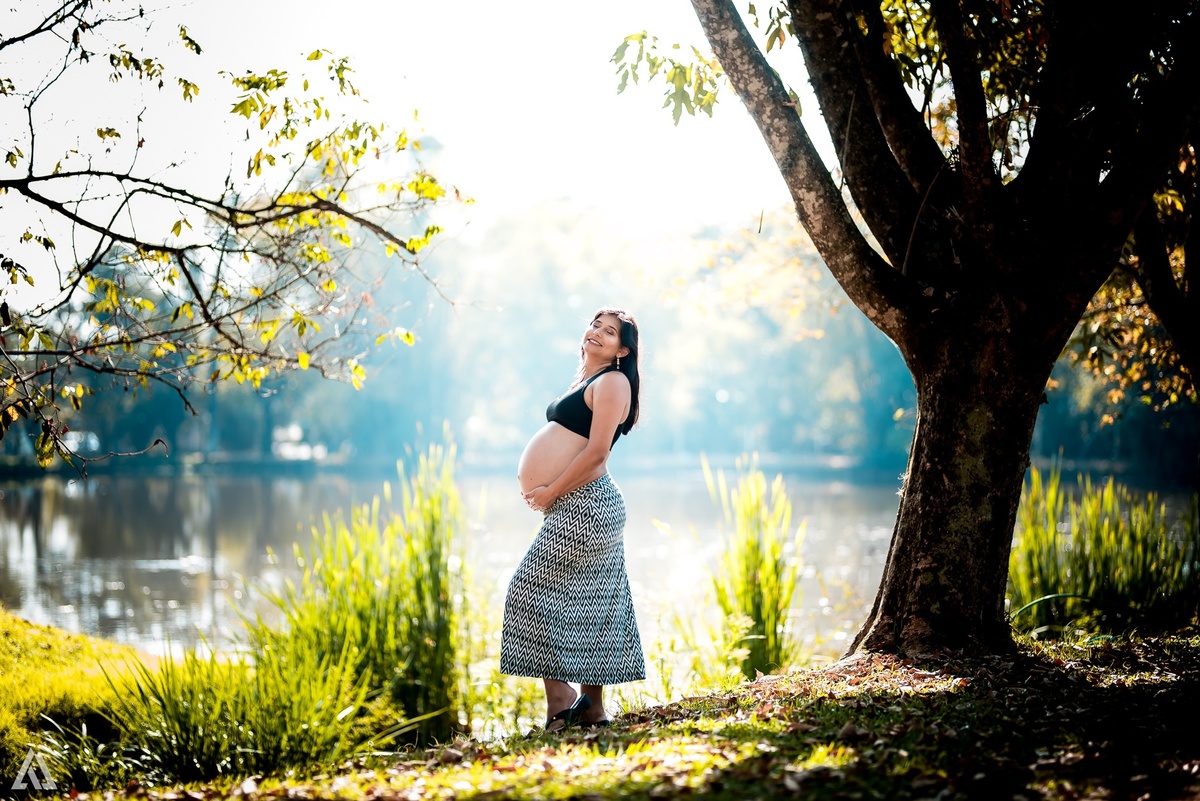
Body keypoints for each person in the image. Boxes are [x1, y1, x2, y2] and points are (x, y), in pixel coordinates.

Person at [500, 307, 645, 732]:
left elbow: (597, 452)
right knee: (594, 601)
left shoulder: (614, 382)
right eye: (595, 325)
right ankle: (591, 709)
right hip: (579, 504)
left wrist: (550, 490)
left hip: (586, 502)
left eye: (611, 331)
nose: (599, 332)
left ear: (624, 349)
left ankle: (562, 701)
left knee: (528, 589)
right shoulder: (587, 380)